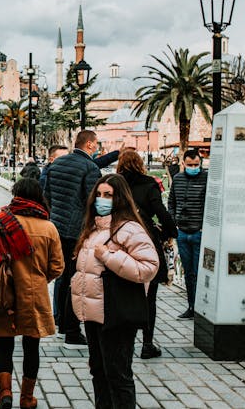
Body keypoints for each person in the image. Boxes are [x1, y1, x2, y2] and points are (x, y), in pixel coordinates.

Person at [71, 173, 159, 408]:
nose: (101, 199)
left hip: (116, 315)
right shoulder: (94, 228)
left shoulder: (130, 229)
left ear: (119, 198)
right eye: (98, 195)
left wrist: (109, 256)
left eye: (108, 195)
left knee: (118, 376)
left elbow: (149, 267)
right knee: (99, 372)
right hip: (93, 313)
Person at [0, 179, 64, 409]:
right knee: (31, 347)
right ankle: (27, 398)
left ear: (16, 195)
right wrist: (40, 279)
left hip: (4, 294)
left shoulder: (1, 222)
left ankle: (5, 394)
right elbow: (57, 267)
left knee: (4, 345)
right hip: (34, 295)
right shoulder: (48, 228)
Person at [116, 150, 177, 359]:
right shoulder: (149, 184)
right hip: (145, 238)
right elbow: (161, 212)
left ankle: (122, 340)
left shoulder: (116, 184)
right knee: (149, 297)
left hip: (120, 238)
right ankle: (147, 343)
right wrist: (170, 232)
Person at [43, 130, 101, 346]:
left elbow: (47, 195)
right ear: (89, 145)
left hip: (56, 227)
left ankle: (60, 321)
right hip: (76, 231)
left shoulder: (57, 164)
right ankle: (71, 329)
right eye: (96, 144)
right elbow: (91, 201)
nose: (96, 148)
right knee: (75, 279)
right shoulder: (90, 168)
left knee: (63, 276)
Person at [168, 149, 207, 319]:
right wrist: (174, 223)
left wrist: (203, 227)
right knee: (188, 273)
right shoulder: (177, 179)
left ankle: (201, 308)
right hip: (182, 233)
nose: (193, 167)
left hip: (199, 232)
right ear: (183, 163)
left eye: (196, 165)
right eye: (190, 165)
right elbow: (171, 202)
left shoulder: (207, 179)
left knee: (199, 272)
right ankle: (191, 306)